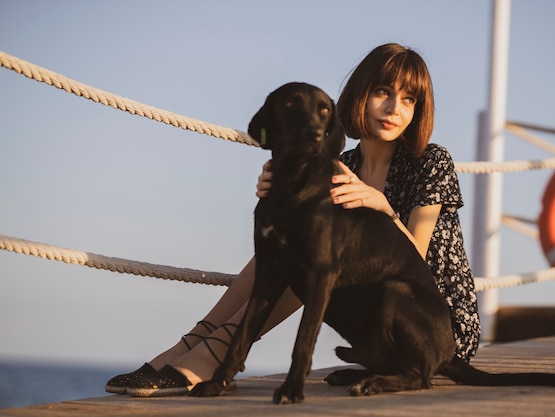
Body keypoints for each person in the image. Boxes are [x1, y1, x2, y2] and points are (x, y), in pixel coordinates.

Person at [105, 43, 480, 397]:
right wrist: (275, 189)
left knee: (306, 258)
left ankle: (215, 355)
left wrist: (382, 206)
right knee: (281, 246)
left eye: (409, 99)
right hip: (372, 318)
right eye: (383, 91)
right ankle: (191, 345)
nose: (394, 108)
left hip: (431, 323)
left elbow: (415, 258)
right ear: (360, 94)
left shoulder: (431, 162)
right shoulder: (343, 165)